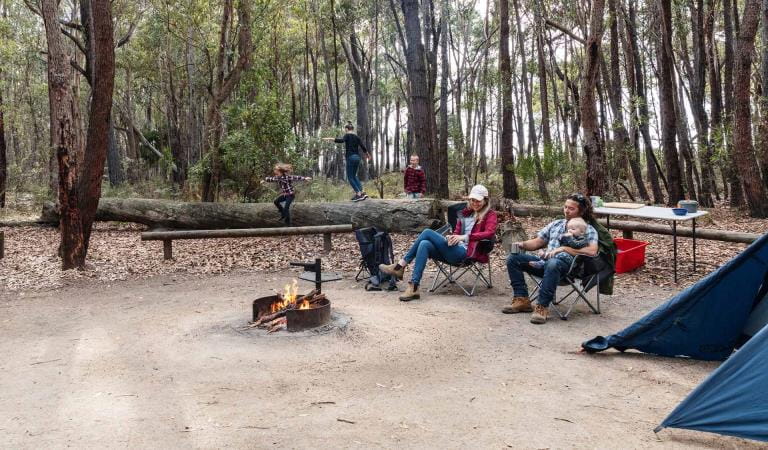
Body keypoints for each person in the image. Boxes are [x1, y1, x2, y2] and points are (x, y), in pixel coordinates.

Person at [379, 184, 498, 302]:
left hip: (467, 253)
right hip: (453, 250)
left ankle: (400, 266)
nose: (475, 203)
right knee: (424, 244)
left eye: (478, 201)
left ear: (486, 201)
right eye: (473, 200)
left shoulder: (490, 215)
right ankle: (414, 286)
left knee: (426, 232)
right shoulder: (465, 213)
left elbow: (489, 233)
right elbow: (456, 232)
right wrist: (451, 237)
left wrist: (464, 237)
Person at [503, 194, 600, 324]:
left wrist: (566, 249)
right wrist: (522, 244)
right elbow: (538, 242)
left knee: (553, 263)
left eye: (571, 208)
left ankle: (542, 307)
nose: (566, 210)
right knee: (513, 258)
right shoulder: (556, 224)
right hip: (543, 264)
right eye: (565, 207)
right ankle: (522, 300)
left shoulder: (588, 229)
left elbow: (592, 251)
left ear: (581, 211)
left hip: (567, 269)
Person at [323, 122, 371, 201]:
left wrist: (330, 139)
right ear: (352, 129)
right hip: (357, 158)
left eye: (345, 129)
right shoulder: (357, 137)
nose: (345, 131)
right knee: (354, 176)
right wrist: (367, 154)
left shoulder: (347, 135)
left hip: (351, 158)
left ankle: (358, 194)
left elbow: (341, 140)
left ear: (346, 129)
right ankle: (362, 193)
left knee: (350, 177)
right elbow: (363, 146)